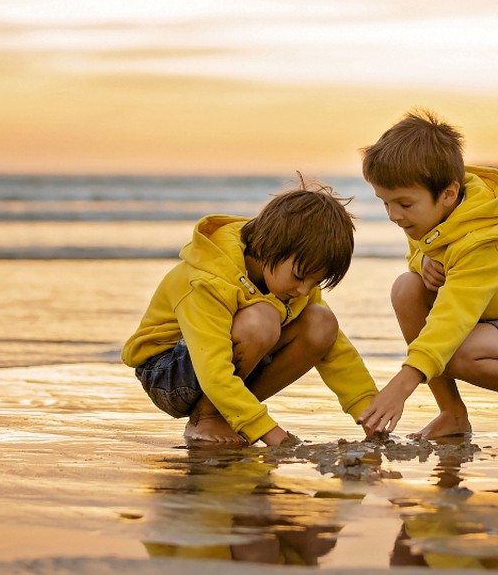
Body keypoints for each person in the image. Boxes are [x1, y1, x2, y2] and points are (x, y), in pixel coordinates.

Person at [357, 110, 498, 441]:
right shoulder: (439, 215)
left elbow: (453, 317)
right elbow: (423, 250)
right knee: (407, 287)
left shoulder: (485, 240)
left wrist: (403, 383)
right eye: (386, 204)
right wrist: (422, 261)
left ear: (449, 193)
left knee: (454, 348)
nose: (394, 215)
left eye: (404, 204)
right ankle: (452, 414)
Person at [122, 178, 377, 446]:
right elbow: (213, 369)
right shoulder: (209, 279)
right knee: (261, 319)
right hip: (168, 373)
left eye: (316, 282)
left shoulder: (292, 283)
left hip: (223, 370)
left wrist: (369, 411)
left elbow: (336, 351)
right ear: (271, 246)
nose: (305, 290)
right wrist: (268, 431)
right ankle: (206, 418)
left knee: (321, 322)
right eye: (301, 277)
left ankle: (229, 413)